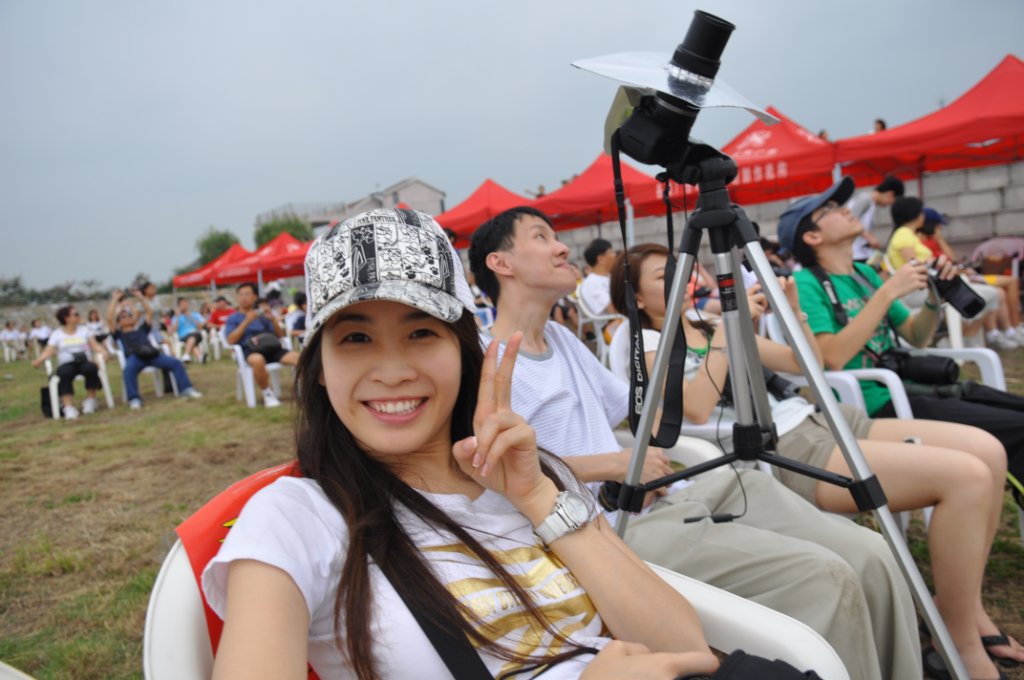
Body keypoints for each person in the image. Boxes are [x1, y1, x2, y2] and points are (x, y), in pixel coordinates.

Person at [203, 208, 718, 680]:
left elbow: (686, 648)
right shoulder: (296, 518)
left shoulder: (536, 475)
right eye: (356, 338)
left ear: (462, 349)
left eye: (421, 333)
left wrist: (538, 497)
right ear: (320, 368)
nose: (393, 372)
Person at [469, 206, 921, 680]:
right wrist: (616, 463)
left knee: (873, 551)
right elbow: (496, 471)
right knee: (829, 575)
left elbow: (649, 416)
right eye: (542, 237)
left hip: (677, 491)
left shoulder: (563, 339)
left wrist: (703, 352)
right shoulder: (484, 359)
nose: (563, 247)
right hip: (614, 528)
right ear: (501, 263)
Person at [609, 242, 1018, 680]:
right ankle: (958, 637)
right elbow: (695, 408)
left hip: (815, 415)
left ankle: (967, 611)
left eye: (681, 269)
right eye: (663, 276)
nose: (680, 279)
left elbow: (806, 363)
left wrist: (793, 312)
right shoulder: (643, 341)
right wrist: (727, 333)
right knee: (966, 478)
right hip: (785, 444)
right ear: (636, 298)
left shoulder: (706, 323)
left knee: (987, 451)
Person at [783, 176, 1024, 556]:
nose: (846, 210)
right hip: (872, 403)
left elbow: (917, 335)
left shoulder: (864, 274)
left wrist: (933, 299)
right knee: (1016, 429)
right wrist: (888, 291)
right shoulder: (806, 283)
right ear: (812, 237)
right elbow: (831, 356)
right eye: (830, 210)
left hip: (907, 386)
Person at [107, 289, 202, 409]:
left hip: (152, 354)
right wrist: (115, 299)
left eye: (129, 315)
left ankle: (186, 389)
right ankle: (134, 399)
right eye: (123, 317)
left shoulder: (142, 329)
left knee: (176, 362)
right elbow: (109, 319)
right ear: (119, 323)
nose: (127, 317)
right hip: (134, 357)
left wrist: (140, 297)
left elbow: (149, 312)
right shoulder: (119, 334)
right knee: (128, 370)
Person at [224, 282, 299, 408]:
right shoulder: (233, 318)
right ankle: (268, 393)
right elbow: (231, 340)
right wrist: (247, 320)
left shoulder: (263, 315)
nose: (243, 298)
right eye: (240, 295)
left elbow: (280, 335)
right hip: (250, 351)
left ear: (255, 297)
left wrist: (273, 319)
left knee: (299, 358)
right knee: (257, 360)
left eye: (247, 294)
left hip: (271, 348)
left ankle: (305, 390)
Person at [31, 305, 109, 419]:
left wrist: (103, 352)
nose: (78, 316)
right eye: (75, 314)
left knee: (91, 368)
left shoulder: (85, 330)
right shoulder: (57, 334)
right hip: (67, 363)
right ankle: (68, 406)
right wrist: (38, 360)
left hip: (83, 361)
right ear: (66, 318)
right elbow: (49, 350)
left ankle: (91, 400)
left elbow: (94, 345)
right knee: (64, 373)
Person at [847, 175, 904, 263]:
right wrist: (869, 238)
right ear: (890, 194)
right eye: (892, 201)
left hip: (860, 252)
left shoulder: (871, 203)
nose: (888, 205)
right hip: (854, 253)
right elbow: (849, 220)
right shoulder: (865, 199)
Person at [171, 297, 207, 363]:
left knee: (192, 337)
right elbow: (174, 330)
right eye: (182, 304)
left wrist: (191, 317)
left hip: (196, 334)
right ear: (179, 306)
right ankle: (200, 357)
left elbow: (200, 327)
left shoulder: (195, 314)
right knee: (193, 342)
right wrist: (177, 317)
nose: (184, 305)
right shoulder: (175, 317)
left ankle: (186, 355)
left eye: (185, 303)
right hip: (183, 336)